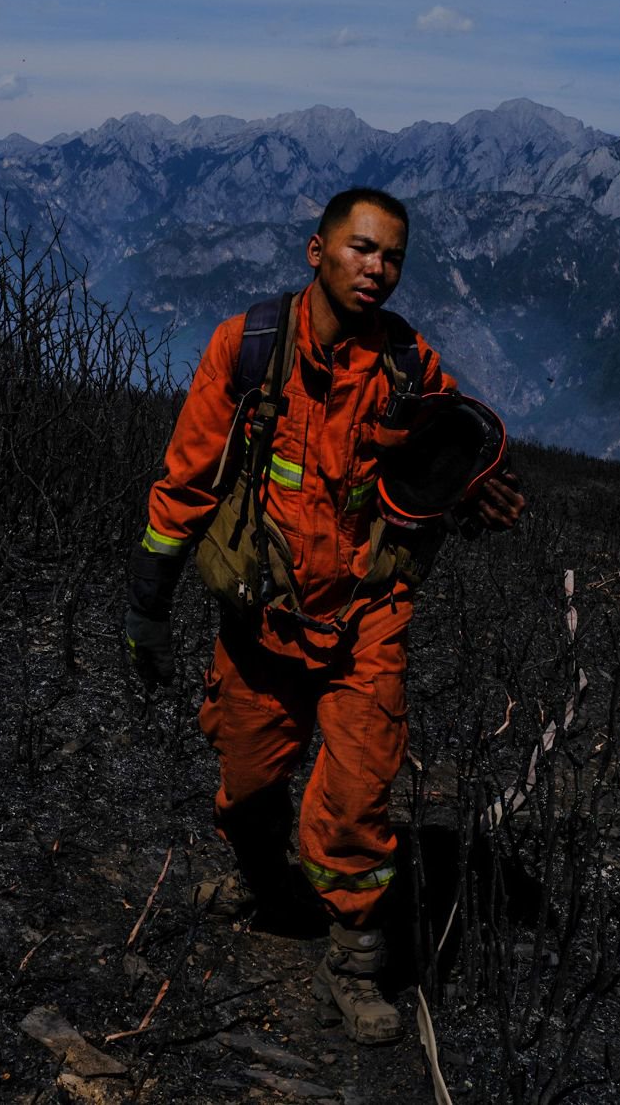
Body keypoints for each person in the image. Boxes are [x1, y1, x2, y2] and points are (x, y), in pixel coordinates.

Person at [124, 187, 526, 1045]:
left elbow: (445, 463)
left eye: (391, 257)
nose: (376, 268)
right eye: (360, 249)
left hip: (366, 616)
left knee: (355, 794)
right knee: (247, 782)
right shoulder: (247, 348)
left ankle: (354, 960)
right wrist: (147, 605)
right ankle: (265, 881)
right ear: (318, 251)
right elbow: (186, 476)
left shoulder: (412, 367)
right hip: (262, 615)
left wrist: (469, 495)